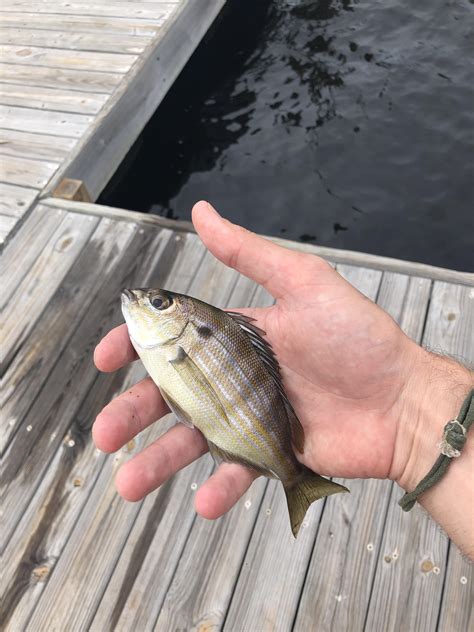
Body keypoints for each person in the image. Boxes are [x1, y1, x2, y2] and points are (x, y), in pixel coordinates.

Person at [93, 201, 473, 558]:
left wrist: (408, 401)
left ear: (185, 323)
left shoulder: (190, 339)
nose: (144, 301)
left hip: (252, 426)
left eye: (160, 303)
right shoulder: (178, 342)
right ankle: (296, 481)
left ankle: (297, 481)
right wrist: (412, 411)